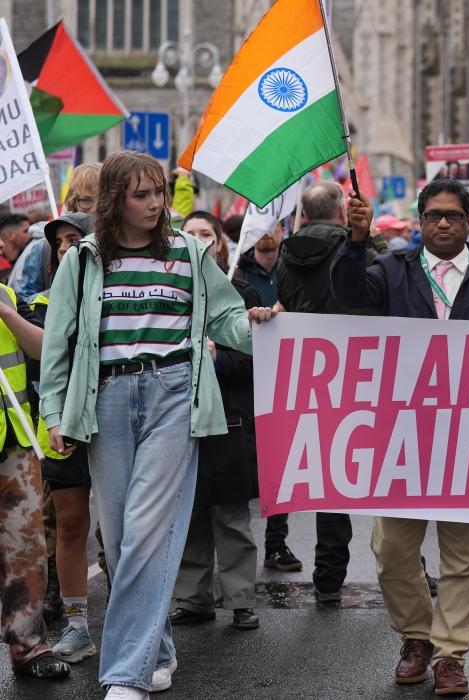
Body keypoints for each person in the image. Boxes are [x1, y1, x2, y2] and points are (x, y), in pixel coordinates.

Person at [39, 152, 275, 699]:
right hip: (106, 399)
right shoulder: (84, 259)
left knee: (147, 531)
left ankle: (126, 675)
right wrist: (53, 413)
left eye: (159, 193)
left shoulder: (189, 252)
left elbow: (226, 318)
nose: (154, 203)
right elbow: (59, 341)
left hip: (174, 395)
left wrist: (260, 325)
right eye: (140, 194)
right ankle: (158, 651)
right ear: (114, 200)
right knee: (123, 539)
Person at [330, 178, 469, 696]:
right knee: (393, 549)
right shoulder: (389, 270)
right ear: (420, 222)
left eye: (454, 215)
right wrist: (355, 240)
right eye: (434, 215)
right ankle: (416, 636)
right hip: (401, 435)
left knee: (464, 555)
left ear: (468, 221)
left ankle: (449, 655)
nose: (444, 223)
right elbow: (348, 296)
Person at [267, 181, 370, 599]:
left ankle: (328, 578)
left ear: (305, 216)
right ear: (342, 213)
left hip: (312, 375)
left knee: (330, 476)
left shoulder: (286, 257)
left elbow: (288, 303)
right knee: (384, 473)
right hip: (362, 371)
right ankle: (409, 569)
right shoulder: (356, 249)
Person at [167, 211, 260, 632]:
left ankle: (241, 599)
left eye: (206, 234)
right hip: (179, 416)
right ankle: (193, 598)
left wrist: (218, 357)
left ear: (220, 243)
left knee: (231, 514)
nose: (199, 240)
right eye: (190, 234)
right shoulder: (170, 291)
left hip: (228, 419)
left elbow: (256, 356)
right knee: (188, 512)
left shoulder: (241, 292)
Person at [0, 215, 71, 681]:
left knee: (25, 549)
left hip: (15, 439)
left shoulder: (7, 297)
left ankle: (28, 646)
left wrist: (6, 314)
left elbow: (44, 350)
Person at [31, 213, 98, 665]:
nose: (65, 248)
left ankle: (143, 625)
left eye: (73, 239)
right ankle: (77, 627)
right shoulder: (43, 301)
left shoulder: (110, 291)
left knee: (123, 530)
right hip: (64, 427)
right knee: (70, 525)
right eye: (58, 243)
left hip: (110, 419)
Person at [15, 163, 101, 303]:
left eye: (101, 200)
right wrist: (57, 295)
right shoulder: (44, 249)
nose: (95, 208)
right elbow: (23, 303)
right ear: (73, 202)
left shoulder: (118, 246)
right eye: (86, 200)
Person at [233, 222, 280, 307]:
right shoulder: (237, 276)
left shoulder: (293, 272)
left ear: (283, 230)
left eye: (272, 224)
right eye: (259, 224)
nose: (266, 230)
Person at [0, 213, 31, 283]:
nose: (29, 235)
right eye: (26, 231)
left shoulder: (29, 258)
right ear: (10, 235)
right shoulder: (1, 265)